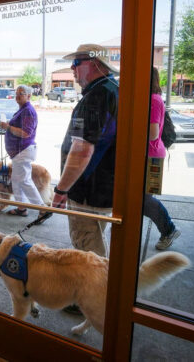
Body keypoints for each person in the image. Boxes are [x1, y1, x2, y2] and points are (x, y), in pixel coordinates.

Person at [52, 44, 120, 258]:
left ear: (96, 64)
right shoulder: (113, 90)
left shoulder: (95, 97)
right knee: (96, 244)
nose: (72, 68)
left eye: (76, 62)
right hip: (104, 189)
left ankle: (99, 291)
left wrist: (62, 190)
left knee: (89, 253)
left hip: (88, 192)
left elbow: (82, 150)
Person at [0, 85, 51, 221]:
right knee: (17, 181)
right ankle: (21, 208)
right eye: (16, 93)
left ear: (29, 96)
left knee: (24, 180)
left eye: (21, 93)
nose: (17, 96)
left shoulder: (28, 111)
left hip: (22, 151)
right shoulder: (23, 110)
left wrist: (8, 127)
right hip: (19, 152)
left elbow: (26, 133)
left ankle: (42, 209)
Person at [145, 68, 180, 249]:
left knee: (143, 200)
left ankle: (169, 230)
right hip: (151, 155)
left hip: (151, 156)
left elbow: (152, 134)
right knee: (140, 199)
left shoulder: (153, 100)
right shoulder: (153, 98)